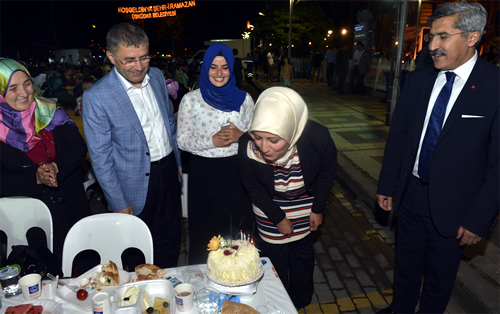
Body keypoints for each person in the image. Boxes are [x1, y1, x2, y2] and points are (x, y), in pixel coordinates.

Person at [375, 2, 499, 313]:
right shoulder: (419, 79)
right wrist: (387, 183)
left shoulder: (494, 86)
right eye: (431, 37)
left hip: (456, 207)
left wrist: (478, 219)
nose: (432, 46)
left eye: (442, 37)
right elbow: (399, 137)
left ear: (472, 37)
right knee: (405, 264)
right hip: (411, 193)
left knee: (439, 278)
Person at [83, 23, 182, 268]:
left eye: (144, 57)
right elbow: (100, 156)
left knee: (170, 240)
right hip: (131, 185)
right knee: (137, 251)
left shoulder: (157, 76)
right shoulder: (97, 96)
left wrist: (177, 163)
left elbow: (169, 122)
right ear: (111, 57)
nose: (138, 67)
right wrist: (117, 202)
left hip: (167, 172)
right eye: (129, 60)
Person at [238, 87, 336, 309]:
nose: (264, 148)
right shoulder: (246, 145)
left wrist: (318, 209)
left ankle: (301, 301)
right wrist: (278, 218)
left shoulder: (318, 137)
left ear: (291, 131)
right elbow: (252, 186)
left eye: (273, 140)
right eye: (258, 137)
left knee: (302, 253)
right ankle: (279, 303)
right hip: (268, 203)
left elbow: (327, 173)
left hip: (305, 202)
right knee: (274, 256)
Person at [0, 58, 90, 268]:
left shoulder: (50, 112)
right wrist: (36, 178)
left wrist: (57, 167)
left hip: (71, 204)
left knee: (83, 271)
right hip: (28, 221)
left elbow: (78, 148)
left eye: (27, 83)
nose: (23, 93)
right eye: (12, 88)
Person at [176, 43, 255, 265]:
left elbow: (259, 137)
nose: (219, 73)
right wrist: (210, 141)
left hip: (237, 172)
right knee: (206, 232)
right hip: (205, 174)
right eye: (213, 67)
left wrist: (242, 136)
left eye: (224, 67)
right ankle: (204, 280)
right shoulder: (191, 100)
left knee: (237, 230)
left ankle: (239, 275)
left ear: (232, 69)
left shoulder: (245, 100)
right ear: (205, 69)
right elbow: (182, 141)